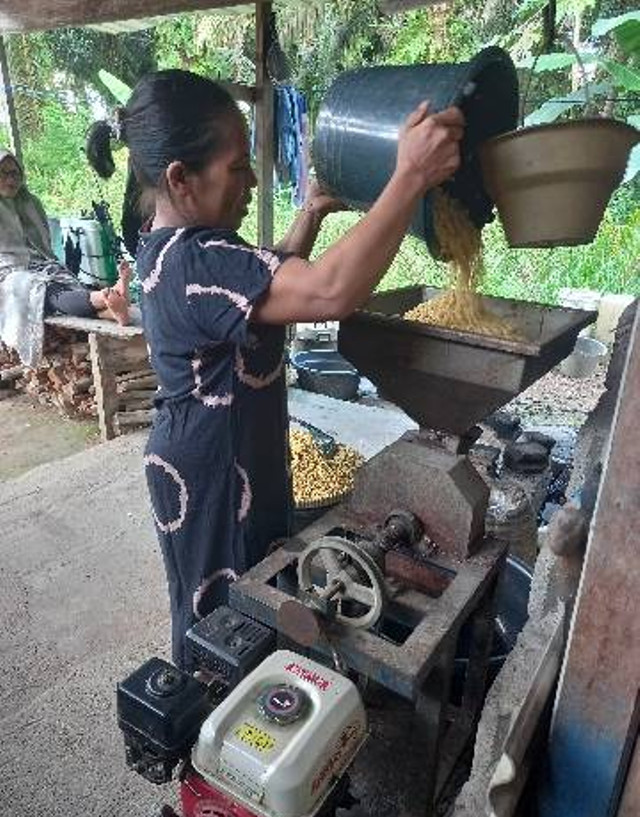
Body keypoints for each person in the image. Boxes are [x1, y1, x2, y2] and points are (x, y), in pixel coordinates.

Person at [86, 69, 463, 670]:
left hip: (216, 453)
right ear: (181, 179)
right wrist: (409, 176)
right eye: (238, 168)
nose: (252, 181)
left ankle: (242, 712)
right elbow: (327, 292)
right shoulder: (197, 257)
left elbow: (267, 284)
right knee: (221, 616)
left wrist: (311, 213)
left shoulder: (182, 248)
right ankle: (209, 732)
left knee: (250, 593)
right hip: (211, 471)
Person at [0, 148, 132, 365]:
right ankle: (105, 297)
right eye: (3, 173)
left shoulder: (30, 203)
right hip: (8, 274)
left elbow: (42, 247)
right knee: (38, 288)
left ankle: (110, 310)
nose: (10, 179)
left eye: (14, 173)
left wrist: (43, 264)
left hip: (40, 264)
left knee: (63, 279)